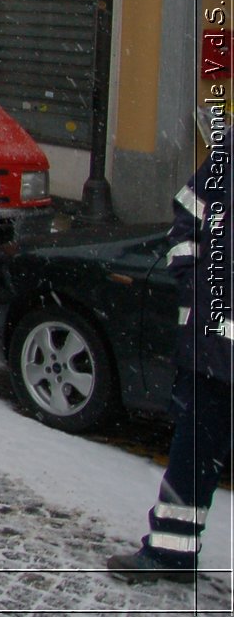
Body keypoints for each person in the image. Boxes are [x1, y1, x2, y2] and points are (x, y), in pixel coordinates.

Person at [108, 131, 232, 583]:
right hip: (211, 351)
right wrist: (192, 281)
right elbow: (188, 216)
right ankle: (170, 554)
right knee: (193, 455)